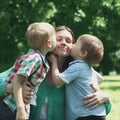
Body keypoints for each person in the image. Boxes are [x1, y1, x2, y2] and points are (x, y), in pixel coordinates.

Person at [0, 26, 110, 120]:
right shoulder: (33, 65)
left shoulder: (74, 72)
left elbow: (100, 111)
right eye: (59, 39)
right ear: (49, 42)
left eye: (68, 41)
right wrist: (12, 89)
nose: (63, 43)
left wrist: (106, 99)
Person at [0, 22, 56, 120]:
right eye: (55, 37)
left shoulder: (39, 59)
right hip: (11, 108)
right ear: (49, 43)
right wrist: (21, 109)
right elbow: (17, 81)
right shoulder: (34, 58)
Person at [48, 34, 107, 120]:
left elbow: (57, 81)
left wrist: (54, 63)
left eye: (75, 44)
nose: (72, 45)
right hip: (97, 113)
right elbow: (101, 79)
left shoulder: (77, 67)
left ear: (83, 53)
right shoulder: (87, 67)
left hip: (84, 115)